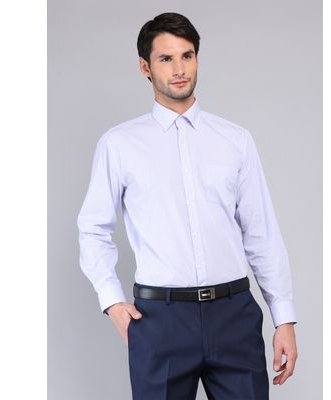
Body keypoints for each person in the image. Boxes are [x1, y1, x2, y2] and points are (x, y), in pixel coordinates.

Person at [77, 11, 298, 400]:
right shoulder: (120, 144)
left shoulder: (235, 140)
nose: (179, 69)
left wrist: (284, 319)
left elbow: (260, 232)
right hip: (160, 320)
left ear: (197, 58)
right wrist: (111, 300)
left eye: (187, 56)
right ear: (145, 67)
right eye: (166, 58)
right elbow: (93, 228)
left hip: (234, 315)